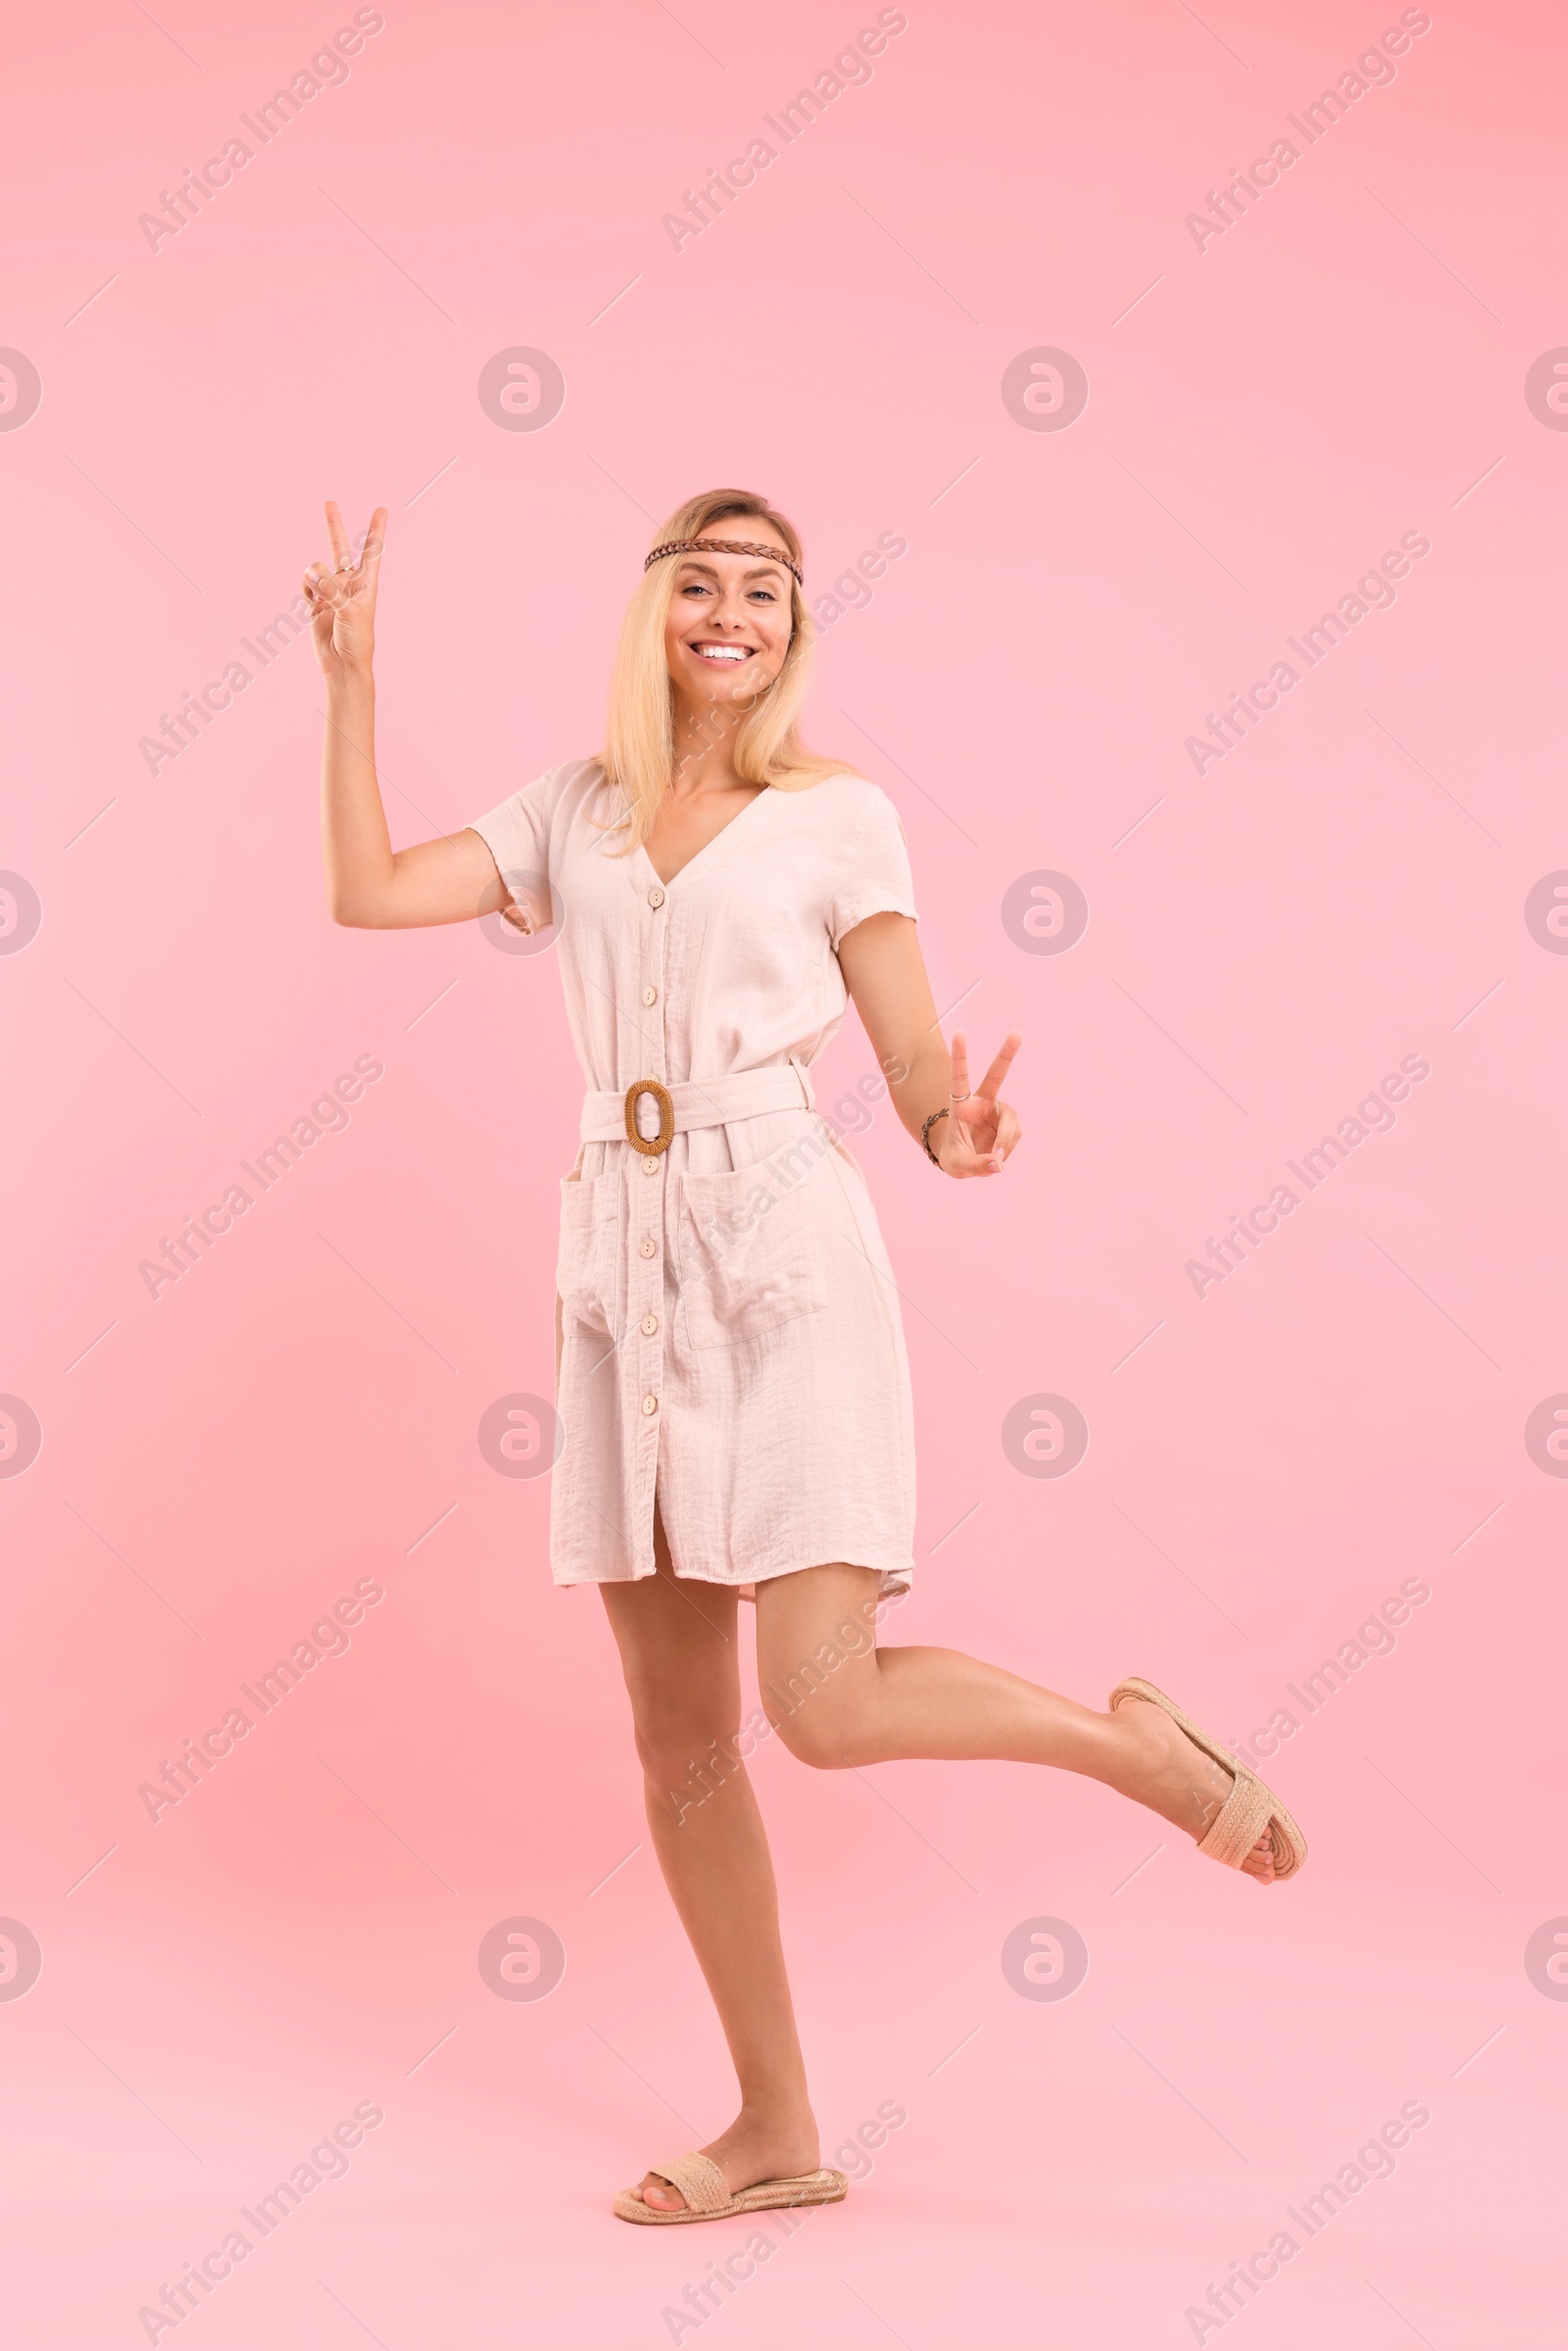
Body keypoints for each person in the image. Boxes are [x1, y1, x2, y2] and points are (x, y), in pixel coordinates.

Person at [309, 486, 1306, 2229]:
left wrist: (957, 1125)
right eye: (701, 582)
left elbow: (915, 1049)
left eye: (763, 590)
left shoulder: (840, 817)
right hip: (623, 1258)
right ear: (653, 611)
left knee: (826, 1706)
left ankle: (1130, 1743)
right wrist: (350, 681)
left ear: (792, 629)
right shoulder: (578, 809)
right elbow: (368, 891)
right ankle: (776, 2126)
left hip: (780, 1248)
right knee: (680, 1735)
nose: (731, 612)